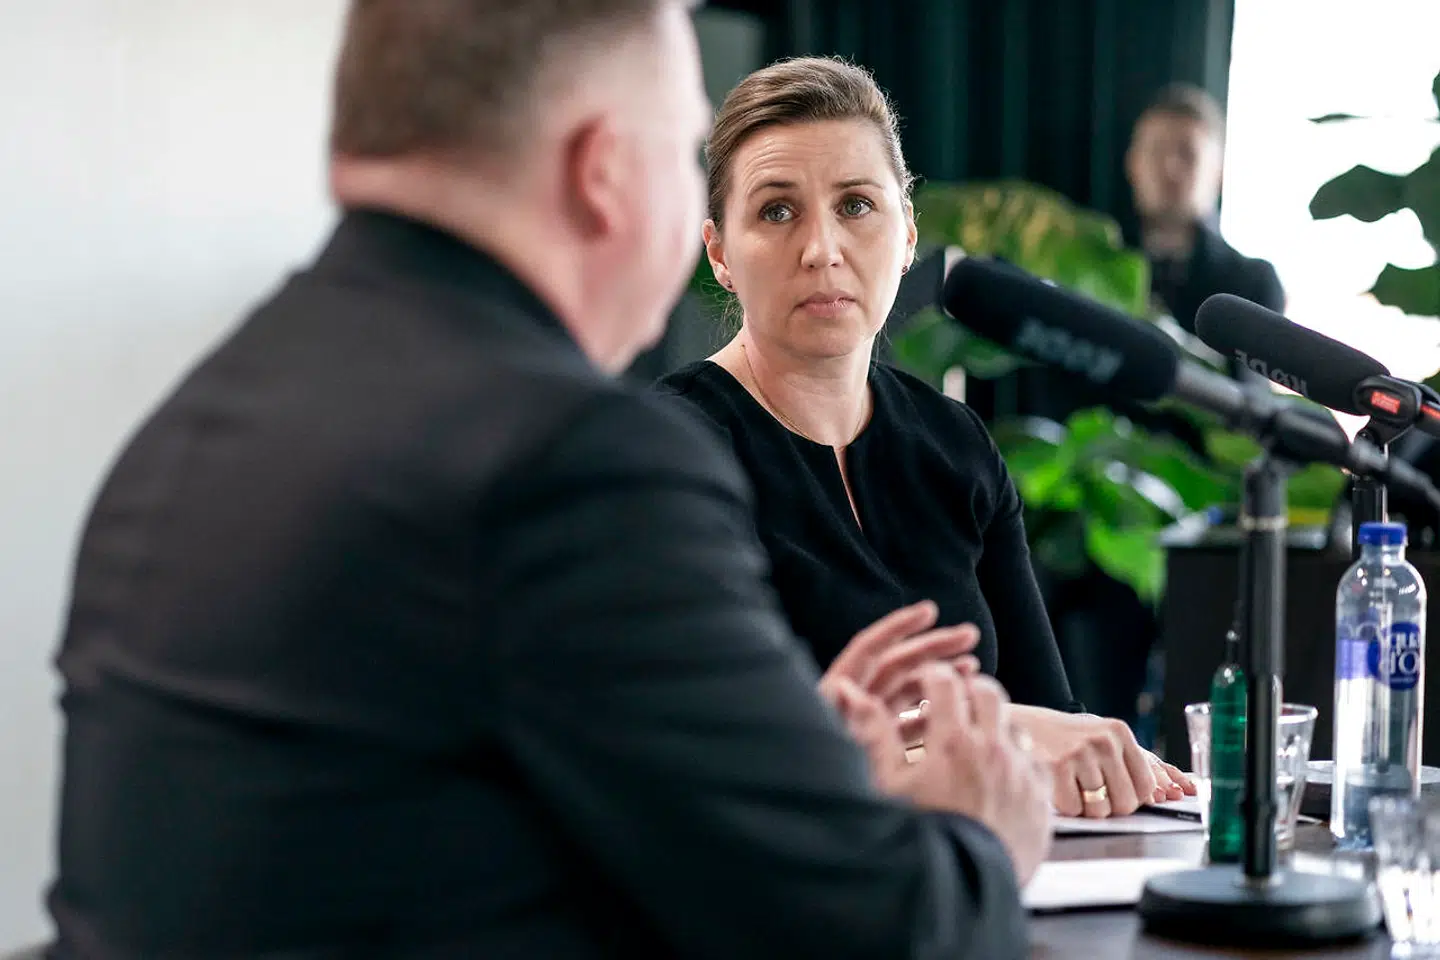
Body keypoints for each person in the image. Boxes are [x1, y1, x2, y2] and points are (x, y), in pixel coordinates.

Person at [46, 3, 1054, 958]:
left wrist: (791, 770)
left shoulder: (189, 431)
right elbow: (879, 933)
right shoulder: (573, 460)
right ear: (604, 172)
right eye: (682, 151)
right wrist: (984, 837)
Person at [655, 56, 1196, 820]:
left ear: (907, 234)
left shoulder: (956, 444)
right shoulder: (670, 452)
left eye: (856, 205)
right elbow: (698, 749)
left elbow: (1052, 716)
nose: (822, 248)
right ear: (719, 253)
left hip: (992, 868)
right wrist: (998, 736)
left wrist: (1103, 762)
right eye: (777, 211)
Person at [1125, 83, 1286, 351]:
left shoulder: (1253, 286)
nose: (1170, 169)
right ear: (1132, 164)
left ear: (1219, 172)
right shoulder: (1091, 263)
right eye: (1156, 151)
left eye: (1188, 154)